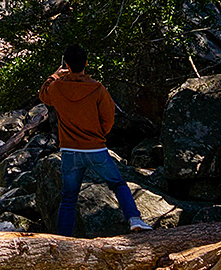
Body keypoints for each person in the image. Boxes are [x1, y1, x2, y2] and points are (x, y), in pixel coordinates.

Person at [38, 44, 148, 235]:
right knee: (118, 184)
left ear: (67, 65)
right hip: (95, 149)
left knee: (68, 198)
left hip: (70, 151)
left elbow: (43, 95)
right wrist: (98, 136)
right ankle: (134, 219)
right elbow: (109, 117)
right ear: (86, 64)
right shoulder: (97, 89)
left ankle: (62, 239)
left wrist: (55, 75)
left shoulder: (56, 88)